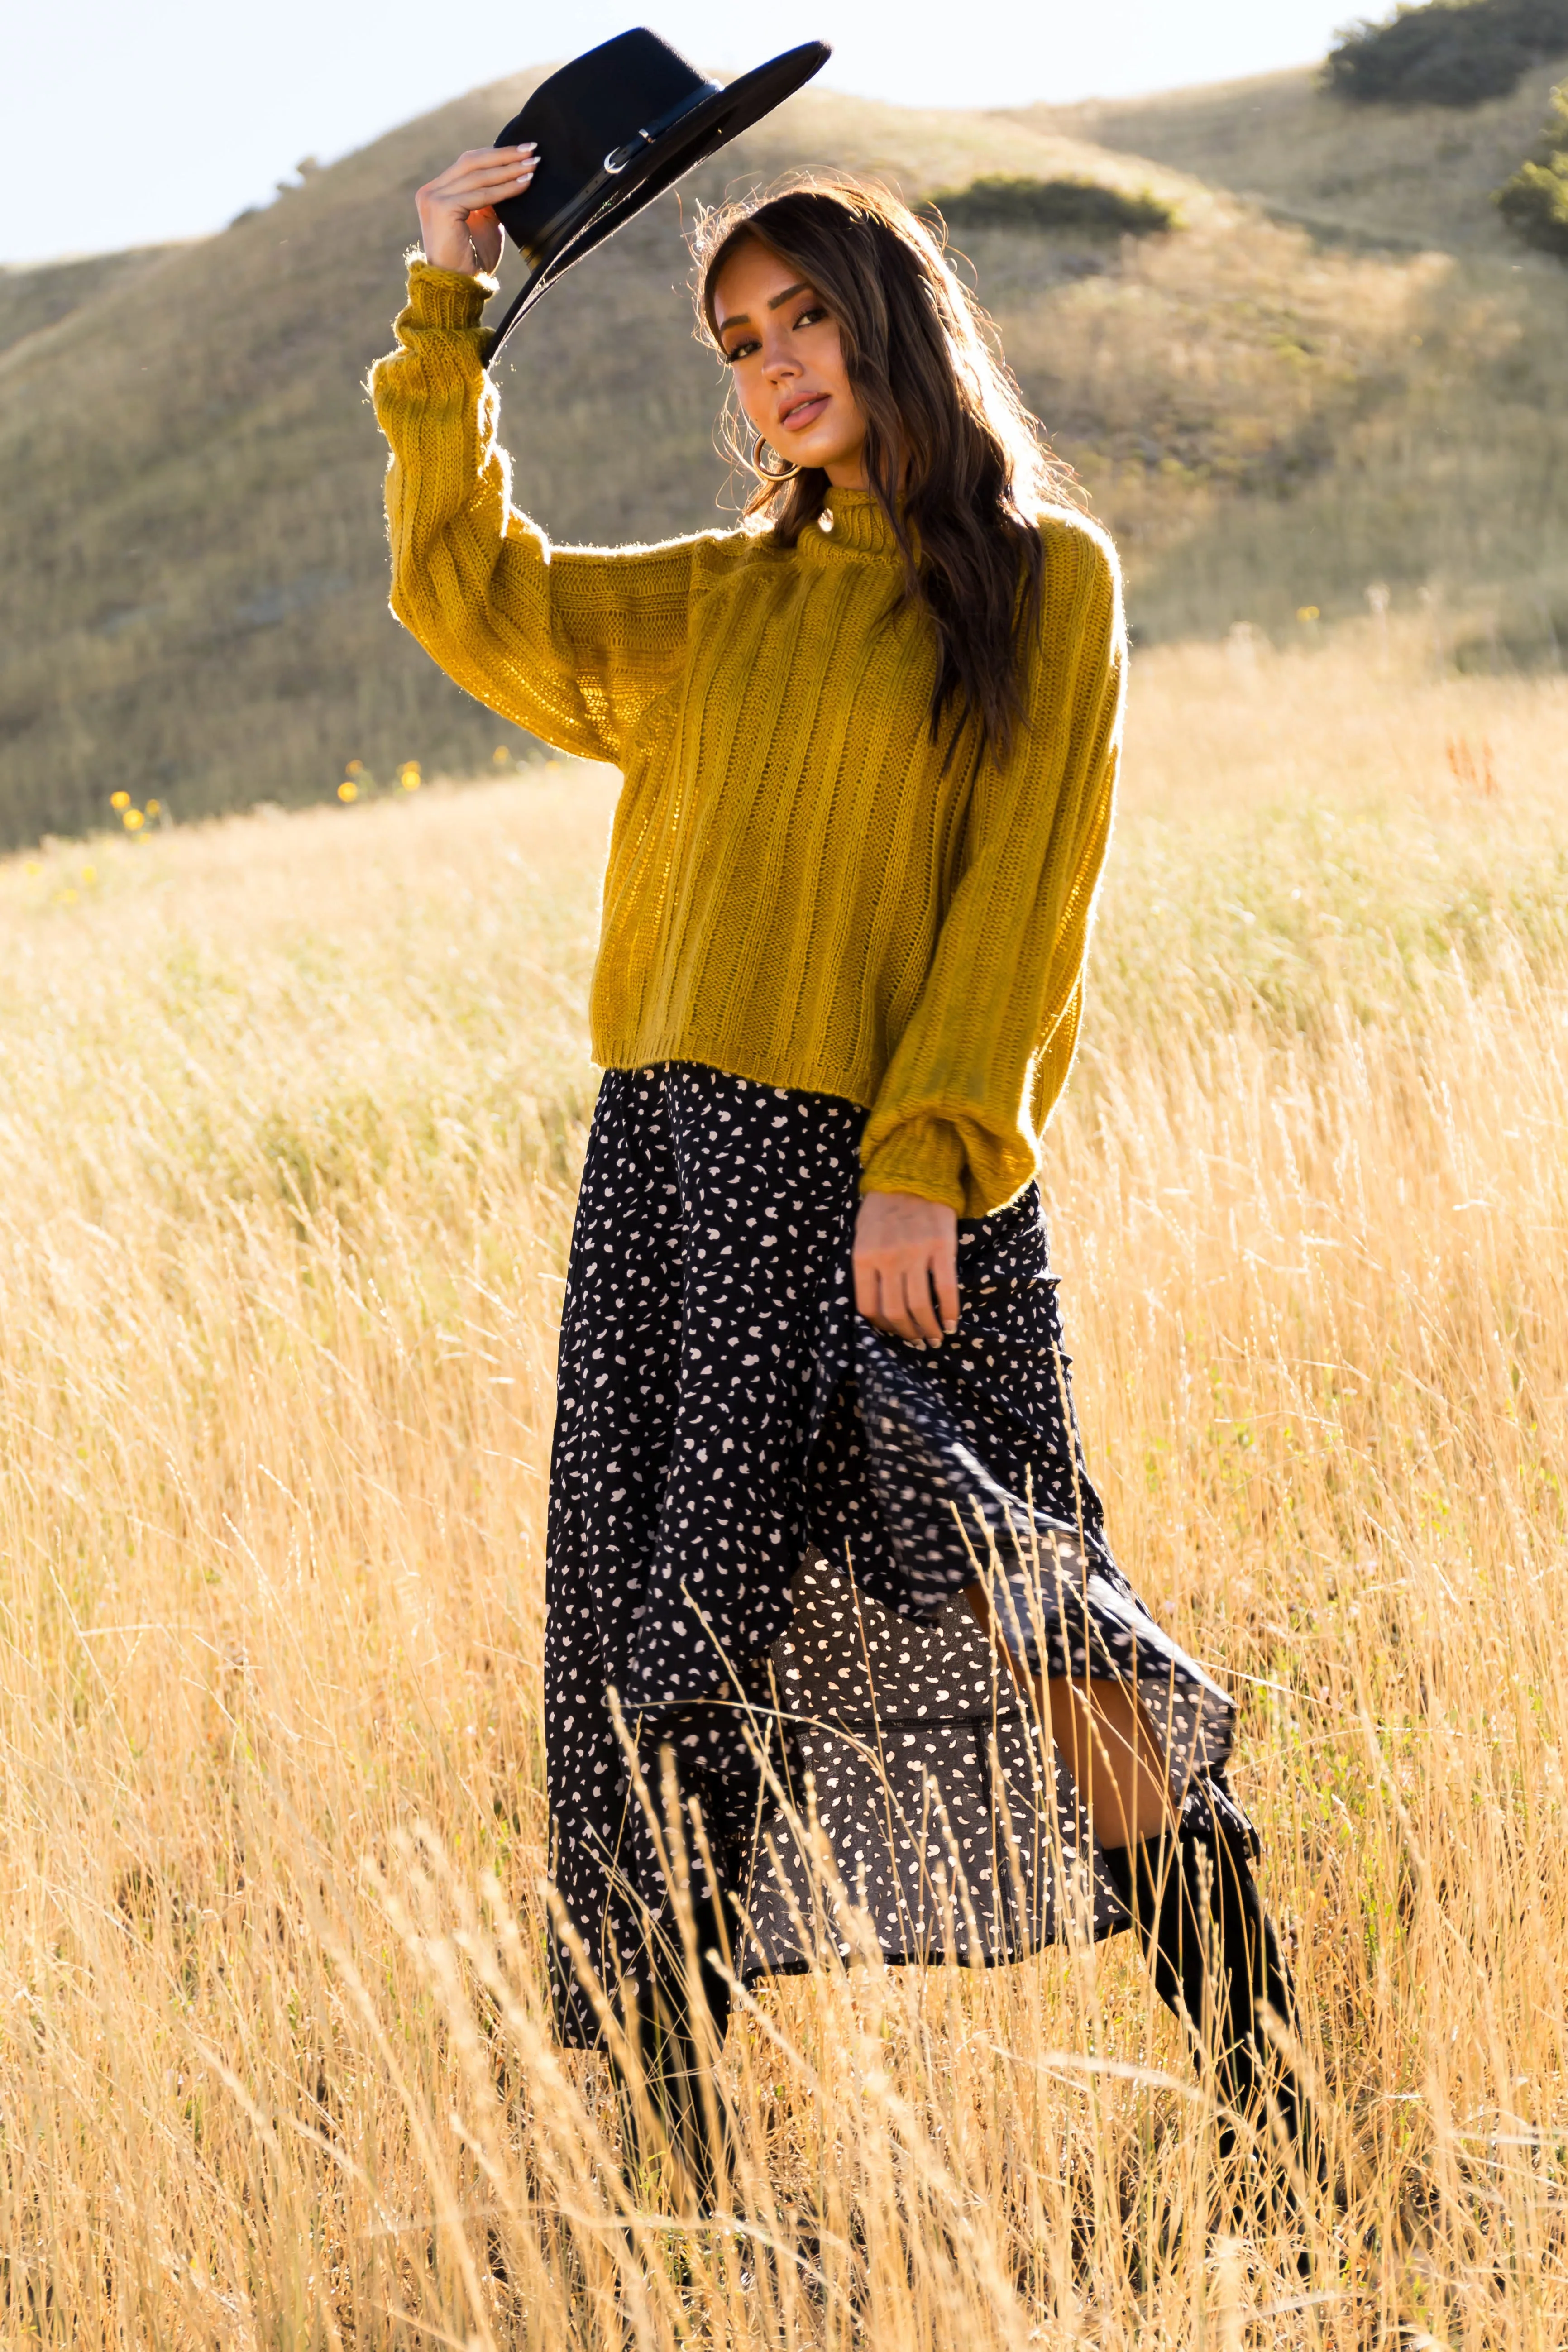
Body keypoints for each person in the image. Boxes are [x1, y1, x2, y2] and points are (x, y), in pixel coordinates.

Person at [370, 147, 1326, 2224]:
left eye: (803, 318)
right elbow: (468, 592)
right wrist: (447, 312)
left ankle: (1280, 2119)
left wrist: (921, 1170)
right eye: (739, 343)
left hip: (906, 1191)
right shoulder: (716, 605)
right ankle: (676, 2185)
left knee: (1049, 1630)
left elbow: (1022, 908)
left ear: (890, 319)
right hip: (681, 1186)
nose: (774, 367)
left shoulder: (1037, 578)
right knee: (673, 1677)